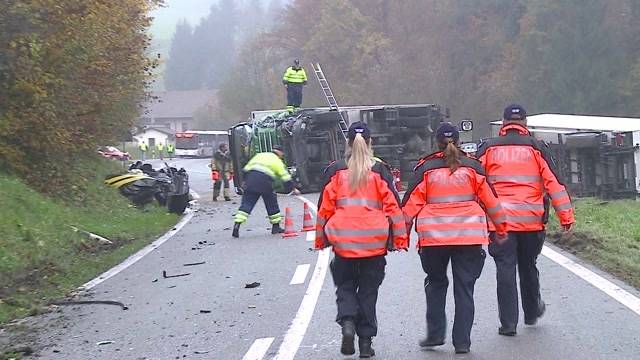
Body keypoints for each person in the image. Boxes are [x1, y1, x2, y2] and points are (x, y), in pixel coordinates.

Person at [402, 123, 508, 354]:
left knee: (436, 283)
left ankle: (435, 334)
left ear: (436, 143)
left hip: (434, 239)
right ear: (459, 142)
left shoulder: (425, 169)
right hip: (468, 238)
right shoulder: (474, 168)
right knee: (465, 288)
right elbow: (492, 201)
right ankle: (462, 342)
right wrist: (501, 228)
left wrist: (401, 237)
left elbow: (409, 207)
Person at [476, 104, 575, 336]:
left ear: (503, 124)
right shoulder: (537, 148)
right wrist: (566, 216)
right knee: (528, 264)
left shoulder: (488, 148)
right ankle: (531, 311)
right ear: (525, 124)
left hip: (500, 222)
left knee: (505, 269)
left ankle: (508, 324)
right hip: (531, 220)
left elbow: (474, 180)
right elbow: (554, 184)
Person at [315, 122, 408, 358]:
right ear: (370, 143)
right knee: (368, 292)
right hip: (374, 242)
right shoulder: (380, 171)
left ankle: (347, 321)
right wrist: (399, 239)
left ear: (347, 142)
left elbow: (324, 209)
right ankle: (365, 344)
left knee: (345, 285)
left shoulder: (335, 170)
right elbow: (393, 207)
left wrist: (321, 240)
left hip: (344, 242)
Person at [232, 145, 298, 238]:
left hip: (250, 182)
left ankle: (237, 224)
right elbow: (285, 177)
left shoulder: (259, 156)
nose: (282, 155)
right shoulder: (277, 161)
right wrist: (292, 188)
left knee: (246, 204)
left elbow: (246, 169)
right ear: (279, 152)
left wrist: (244, 181)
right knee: (271, 203)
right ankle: (276, 227)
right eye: (282, 153)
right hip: (265, 183)